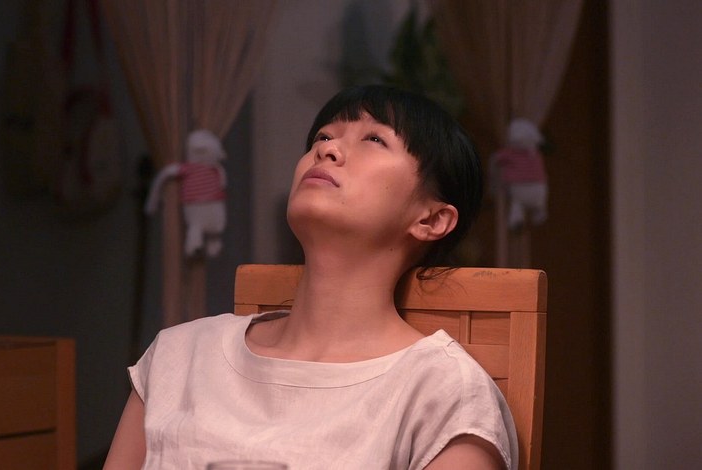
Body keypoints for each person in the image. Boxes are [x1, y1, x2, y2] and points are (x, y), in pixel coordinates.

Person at [105, 85, 517, 469]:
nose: (327, 149)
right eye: (322, 136)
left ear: (431, 219)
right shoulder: (179, 356)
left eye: (375, 139)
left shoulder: (442, 392)